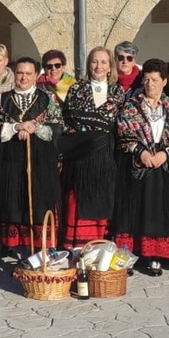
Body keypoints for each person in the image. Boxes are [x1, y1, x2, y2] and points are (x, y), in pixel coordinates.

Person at [113, 59, 169, 276]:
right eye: (146, 80)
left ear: (164, 81)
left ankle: (155, 256)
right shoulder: (131, 105)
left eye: (154, 80)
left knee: (157, 211)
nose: (150, 84)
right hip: (137, 165)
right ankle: (128, 256)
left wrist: (165, 153)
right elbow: (123, 134)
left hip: (163, 167)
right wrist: (141, 152)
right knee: (132, 210)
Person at [0, 57, 62, 254]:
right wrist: (16, 127)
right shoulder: (1, 98)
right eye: (20, 73)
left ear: (36, 75)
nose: (23, 77)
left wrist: (34, 128)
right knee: (12, 201)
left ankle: (39, 248)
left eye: (28, 73)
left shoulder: (48, 98)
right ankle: (15, 247)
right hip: (11, 160)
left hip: (41, 160)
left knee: (40, 202)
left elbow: (57, 127)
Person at [61, 46, 124, 246]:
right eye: (95, 61)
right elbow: (69, 119)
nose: (98, 66)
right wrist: (96, 129)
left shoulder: (118, 92)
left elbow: (119, 124)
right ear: (88, 65)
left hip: (106, 157)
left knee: (104, 201)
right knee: (78, 201)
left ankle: (101, 246)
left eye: (103, 62)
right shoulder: (76, 89)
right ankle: (78, 248)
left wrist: (92, 125)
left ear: (110, 66)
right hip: (80, 155)